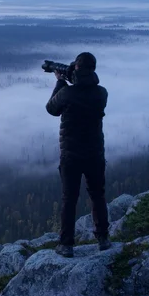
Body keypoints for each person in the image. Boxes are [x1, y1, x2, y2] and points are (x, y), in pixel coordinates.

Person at [46, 52, 111, 258]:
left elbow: (51, 109)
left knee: (69, 199)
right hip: (95, 154)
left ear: (76, 69)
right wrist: (71, 78)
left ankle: (66, 245)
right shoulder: (102, 93)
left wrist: (60, 83)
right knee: (98, 196)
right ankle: (103, 239)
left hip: (71, 156)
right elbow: (86, 91)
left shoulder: (67, 94)